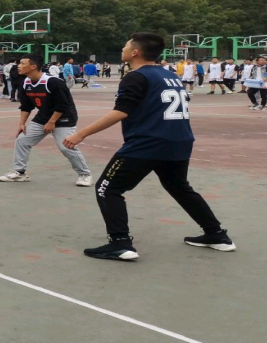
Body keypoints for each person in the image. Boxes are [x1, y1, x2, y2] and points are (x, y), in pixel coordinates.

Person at [63, 32, 235, 262]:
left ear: (135, 52)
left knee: (107, 188)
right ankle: (216, 234)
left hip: (148, 142)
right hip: (179, 140)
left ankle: (120, 242)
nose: (122, 49)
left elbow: (120, 112)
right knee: (179, 187)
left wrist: (81, 133)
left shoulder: (136, 77)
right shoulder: (170, 75)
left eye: (126, 45)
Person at [0, 55, 91, 187]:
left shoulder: (53, 82)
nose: (18, 66)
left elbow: (63, 105)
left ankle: (85, 174)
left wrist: (52, 122)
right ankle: (19, 172)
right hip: (43, 117)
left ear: (33, 66)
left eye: (22, 63)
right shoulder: (26, 83)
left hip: (64, 118)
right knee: (22, 140)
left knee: (66, 147)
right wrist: (22, 123)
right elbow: (26, 106)